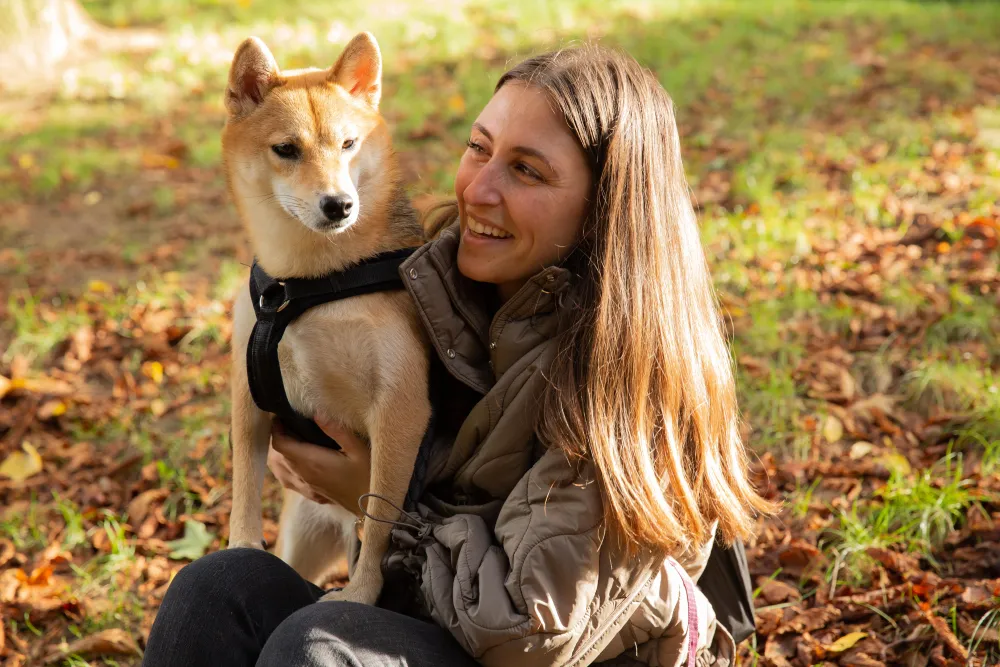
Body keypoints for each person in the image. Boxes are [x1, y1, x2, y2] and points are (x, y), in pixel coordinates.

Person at [142, 44, 771, 667]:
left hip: (538, 649)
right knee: (212, 591)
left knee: (315, 649)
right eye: (478, 147)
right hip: (428, 606)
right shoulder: (426, 275)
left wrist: (381, 508)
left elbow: (529, 630)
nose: (479, 189)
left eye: (527, 170)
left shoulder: (622, 375)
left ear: (605, 205)